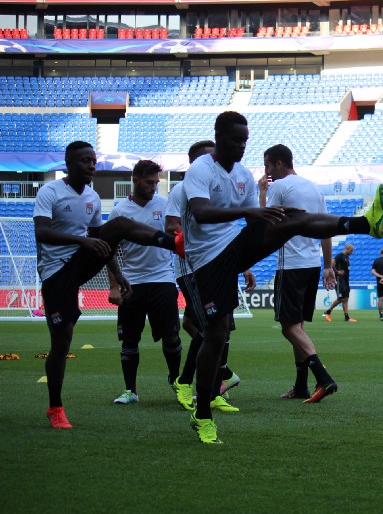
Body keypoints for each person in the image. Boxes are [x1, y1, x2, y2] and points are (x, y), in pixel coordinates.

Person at [181, 111, 383, 443]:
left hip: (232, 250)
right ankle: (202, 412)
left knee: (291, 219)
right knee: (216, 335)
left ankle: (364, 224)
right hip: (203, 260)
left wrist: (278, 219)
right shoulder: (201, 169)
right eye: (237, 139)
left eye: (246, 140)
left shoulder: (245, 177)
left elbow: (254, 222)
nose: (242, 145)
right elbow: (203, 213)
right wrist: (250, 211)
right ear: (219, 136)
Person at [34, 141, 180, 429]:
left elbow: (101, 243)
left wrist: (117, 273)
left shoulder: (92, 196)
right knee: (62, 340)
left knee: (118, 225)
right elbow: (41, 232)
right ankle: (55, 408)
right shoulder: (49, 191)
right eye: (85, 161)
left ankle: (173, 243)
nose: (92, 166)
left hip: (80, 263)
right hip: (56, 272)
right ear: (69, 162)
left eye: (93, 160)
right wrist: (82, 240)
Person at [165, 140, 251, 413]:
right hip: (193, 267)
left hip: (222, 265)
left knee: (220, 330)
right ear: (193, 163)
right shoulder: (181, 189)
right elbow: (171, 225)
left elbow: (230, 229)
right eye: (205, 158)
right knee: (210, 329)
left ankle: (213, 391)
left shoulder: (222, 186)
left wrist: (244, 265)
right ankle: (188, 381)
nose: (212, 162)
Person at [260, 143, 338, 402]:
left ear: (279, 164)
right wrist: (328, 265)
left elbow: (266, 222)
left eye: (268, 165)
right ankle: (301, 386)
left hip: (290, 264)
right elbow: (326, 229)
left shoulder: (279, 187)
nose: (266, 171)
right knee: (299, 326)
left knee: (288, 327)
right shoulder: (313, 188)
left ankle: (323, 378)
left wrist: (262, 193)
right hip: (312, 264)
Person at [107, 160, 182, 405]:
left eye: (156, 183)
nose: (153, 187)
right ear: (135, 180)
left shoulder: (166, 205)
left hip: (163, 280)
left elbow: (178, 238)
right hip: (132, 283)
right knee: (130, 338)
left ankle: (177, 382)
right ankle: (130, 390)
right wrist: (114, 286)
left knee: (171, 336)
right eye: (149, 182)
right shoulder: (119, 211)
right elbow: (109, 251)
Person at [323, 244, 356, 322]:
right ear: (347, 248)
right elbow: (332, 262)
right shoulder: (340, 256)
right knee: (341, 298)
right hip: (340, 280)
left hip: (346, 280)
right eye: (351, 250)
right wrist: (337, 271)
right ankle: (328, 312)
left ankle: (347, 317)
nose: (352, 252)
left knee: (346, 298)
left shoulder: (347, 257)